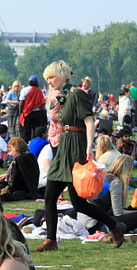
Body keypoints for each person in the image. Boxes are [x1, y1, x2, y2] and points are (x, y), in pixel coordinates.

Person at [33, 61, 125, 252]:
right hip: (63, 147)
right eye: (47, 78)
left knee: (79, 203)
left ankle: (115, 227)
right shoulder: (62, 97)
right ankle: (51, 241)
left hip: (76, 146)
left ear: (63, 75)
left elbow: (89, 121)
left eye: (52, 77)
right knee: (50, 197)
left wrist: (90, 146)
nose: (49, 81)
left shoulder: (77, 94)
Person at [19, 76, 46, 142]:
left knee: (26, 132)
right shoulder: (39, 91)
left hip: (27, 113)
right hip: (37, 113)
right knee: (36, 131)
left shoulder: (24, 90)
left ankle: (26, 146)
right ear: (37, 83)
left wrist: (20, 113)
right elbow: (42, 103)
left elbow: (21, 103)